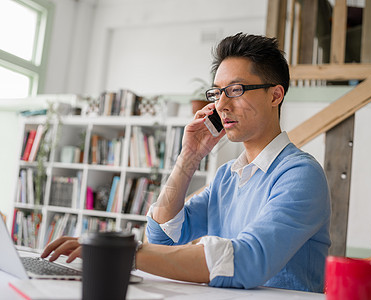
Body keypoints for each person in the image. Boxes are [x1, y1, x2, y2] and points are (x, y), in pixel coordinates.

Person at [41, 33, 331, 292]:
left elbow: (245, 261)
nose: (221, 105)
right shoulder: (227, 178)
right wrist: (189, 157)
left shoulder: (300, 175)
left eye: (236, 90)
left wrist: (118, 253)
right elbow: (163, 236)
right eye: (218, 93)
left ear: (275, 95)